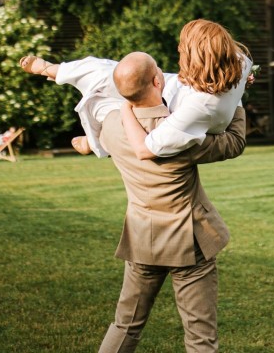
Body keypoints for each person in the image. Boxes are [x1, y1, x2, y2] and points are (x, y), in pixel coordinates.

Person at [97, 51, 246, 353]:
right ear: (157, 80)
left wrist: (88, 142)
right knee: (199, 335)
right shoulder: (179, 133)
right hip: (189, 243)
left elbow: (100, 140)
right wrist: (235, 93)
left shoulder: (112, 123)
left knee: (125, 324)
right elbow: (234, 142)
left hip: (141, 239)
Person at [19, 19, 253, 159]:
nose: (179, 50)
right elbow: (239, 75)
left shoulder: (199, 108)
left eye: (183, 49)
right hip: (183, 86)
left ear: (199, 59)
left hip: (170, 104)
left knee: (108, 94)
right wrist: (240, 81)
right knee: (113, 70)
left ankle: (93, 141)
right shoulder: (240, 61)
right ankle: (55, 70)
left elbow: (145, 149)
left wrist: (126, 109)